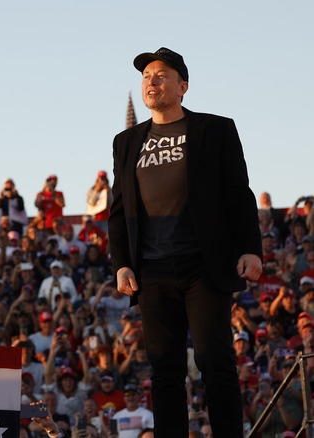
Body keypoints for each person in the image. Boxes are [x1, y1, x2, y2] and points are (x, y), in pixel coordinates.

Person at [108, 47, 262, 437]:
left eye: (160, 75)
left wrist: (249, 248)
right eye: (146, 77)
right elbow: (119, 208)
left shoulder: (216, 129)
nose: (151, 81)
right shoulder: (126, 141)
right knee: (164, 370)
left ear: (183, 86)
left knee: (216, 362)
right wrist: (121, 262)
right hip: (152, 270)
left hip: (203, 265)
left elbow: (238, 193)